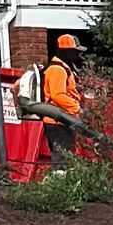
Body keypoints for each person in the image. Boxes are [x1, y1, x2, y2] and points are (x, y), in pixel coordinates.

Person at [39, 34, 87, 166]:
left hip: (62, 120)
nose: (78, 55)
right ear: (67, 51)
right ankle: (59, 184)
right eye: (76, 52)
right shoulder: (57, 70)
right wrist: (77, 109)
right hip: (57, 121)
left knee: (65, 159)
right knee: (62, 161)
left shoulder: (63, 68)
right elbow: (58, 95)